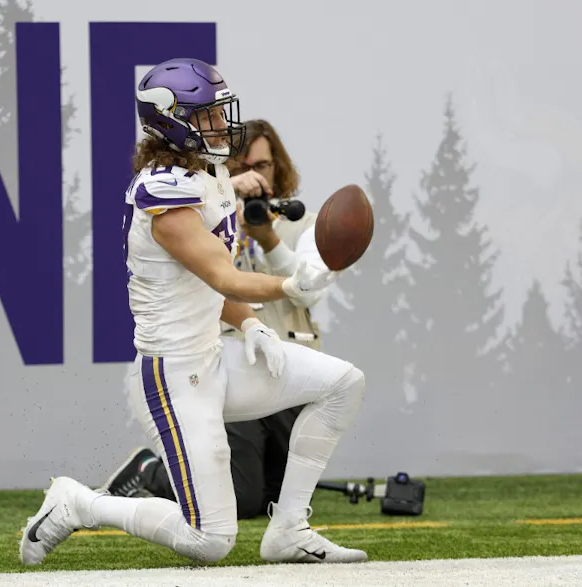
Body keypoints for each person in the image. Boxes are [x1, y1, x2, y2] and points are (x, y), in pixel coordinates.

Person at [19, 57, 367, 566]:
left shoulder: (209, 174)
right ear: (171, 120)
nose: (221, 125)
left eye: (219, 112)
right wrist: (291, 284)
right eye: (206, 115)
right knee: (211, 541)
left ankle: (289, 529)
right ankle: (80, 503)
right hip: (175, 374)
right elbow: (222, 275)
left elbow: (207, 287)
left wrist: (249, 323)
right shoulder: (164, 194)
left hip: (214, 353)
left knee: (343, 384)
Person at [99, 119, 329, 521]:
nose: (255, 176)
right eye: (243, 168)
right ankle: (148, 472)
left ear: (280, 167)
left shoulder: (301, 222)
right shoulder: (206, 212)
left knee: (278, 495)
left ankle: (282, 525)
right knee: (242, 497)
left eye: (263, 166)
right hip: (230, 357)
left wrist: (268, 238)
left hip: (289, 360)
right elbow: (223, 280)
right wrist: (230, 213)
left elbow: (311, 287)